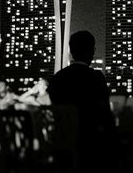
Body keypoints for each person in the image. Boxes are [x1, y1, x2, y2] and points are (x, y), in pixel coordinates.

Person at [47, 30, 117, 172]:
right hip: (90, 147)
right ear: (92, 51)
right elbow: (105, 116)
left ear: (71, 51)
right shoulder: (96, 78)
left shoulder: (57, 78)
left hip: (61, 146)